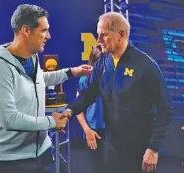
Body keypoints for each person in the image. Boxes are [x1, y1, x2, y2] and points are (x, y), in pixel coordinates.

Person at [0, 4, 92, 173]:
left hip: (42, 152)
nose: (48, 36)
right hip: (12, 161)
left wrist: (71, 72)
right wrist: (51, 122)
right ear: (26, 30)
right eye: (44, 30)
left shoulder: (32, 56)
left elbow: (38, 80)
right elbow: (9, 119)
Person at [63, 12, 173, 173]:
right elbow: (88, 94)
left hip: (139, 148)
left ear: (121, 35)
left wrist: (153, 149)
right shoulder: (102, 61)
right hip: (112, 145)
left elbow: (165, 110)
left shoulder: (145, 65)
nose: (98, 40)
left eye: (104, 35)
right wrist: (69, 111)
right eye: (98, 34)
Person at [76, 45, 105, 173]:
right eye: (102, 60)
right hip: (94, 131)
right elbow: (78, 108)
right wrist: (87, 130)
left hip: (114, 130)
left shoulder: (117, 79)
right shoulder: (85, 80)